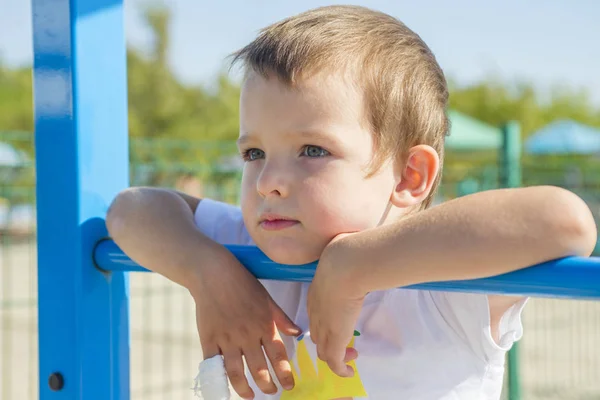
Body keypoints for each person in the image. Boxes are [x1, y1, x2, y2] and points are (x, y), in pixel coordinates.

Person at [106, 5, 597, 400]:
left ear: (409, 176)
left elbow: (564, 222)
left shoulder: (444, 290)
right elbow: (131, 210)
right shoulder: (255, 249)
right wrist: (208, 273)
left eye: (312, 151)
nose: (267, 183)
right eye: (254, 152)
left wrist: (353, 267)